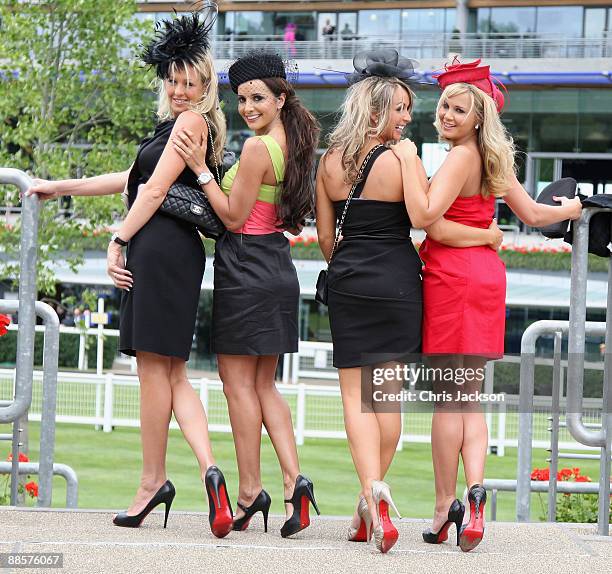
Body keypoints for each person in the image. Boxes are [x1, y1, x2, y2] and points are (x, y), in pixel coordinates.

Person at [27, 6, 234, 538]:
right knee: (173, 373)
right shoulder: (175, 126)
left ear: (206, 85)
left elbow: (155, 191)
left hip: (160, 251)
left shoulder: (190, 123)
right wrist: (61, 187)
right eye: (174, 80)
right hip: (176, 252)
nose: (181, 89)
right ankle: (210, 472)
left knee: (152, 374)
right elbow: (131, 177)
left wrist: (118, 240)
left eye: (191, 82)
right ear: (165, 80)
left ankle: (151, 482)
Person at [315, 50, 503, 554]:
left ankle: (370, 495)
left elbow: (326, 242)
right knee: (385, 398)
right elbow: (422, 217)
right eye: (398, 110)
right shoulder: (403, 156)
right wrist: (483, 234)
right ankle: (372, 496)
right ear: (376, 111)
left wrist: (351, 259)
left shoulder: (329, 162)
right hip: (399, 282)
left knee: (355, 398)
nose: (406, 119)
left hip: (350, 280)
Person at [392, 57, 582, 551]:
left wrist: (410, 160)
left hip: (453, 279)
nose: (446, 116)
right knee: (469, 397)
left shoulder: (457, 158)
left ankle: (442, 508)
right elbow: (536, 214)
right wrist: (574, 209)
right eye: (444, 107)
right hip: (485, 280)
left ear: (479, 115)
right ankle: (476, 495)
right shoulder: (493, 159)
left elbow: (427, 219)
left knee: (446, 399)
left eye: (457, 108)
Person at [171, 52, 321, 538]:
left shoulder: (258, 149)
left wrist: (200, 170)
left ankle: (249, 493)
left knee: (238, 386)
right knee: (263, 386)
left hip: (246, 267)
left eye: (258, 97)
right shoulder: (292, 143)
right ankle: (295, 482)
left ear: (281, 98)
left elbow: (233, 218)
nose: (248, 107)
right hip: (275, 266)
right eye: (241, 99)